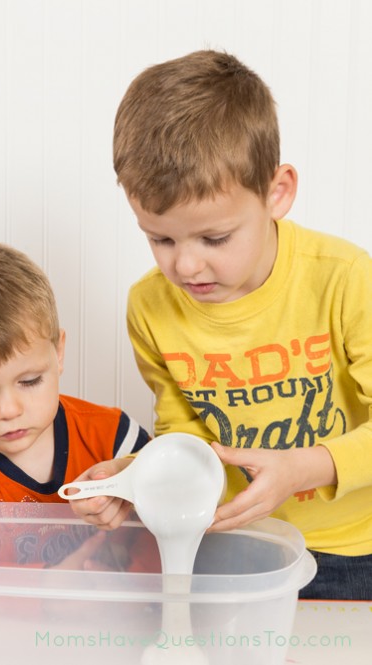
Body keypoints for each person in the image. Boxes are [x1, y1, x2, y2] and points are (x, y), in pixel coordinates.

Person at [68, 50, 372, 600]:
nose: (184, 266)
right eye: (160, 239)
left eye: (214, 239)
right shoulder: (150, 307)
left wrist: (307, 467)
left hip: (356, 551)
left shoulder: (347, 281)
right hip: (232, 548)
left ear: (276, 193)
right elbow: (187, 438)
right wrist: (132, 477)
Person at [0, 241, 151, 568]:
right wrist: (48, 599)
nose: (9, 410)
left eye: (30, 381)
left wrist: (133, 487)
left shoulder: (117, 439)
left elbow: (172, 531)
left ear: (58, 353)